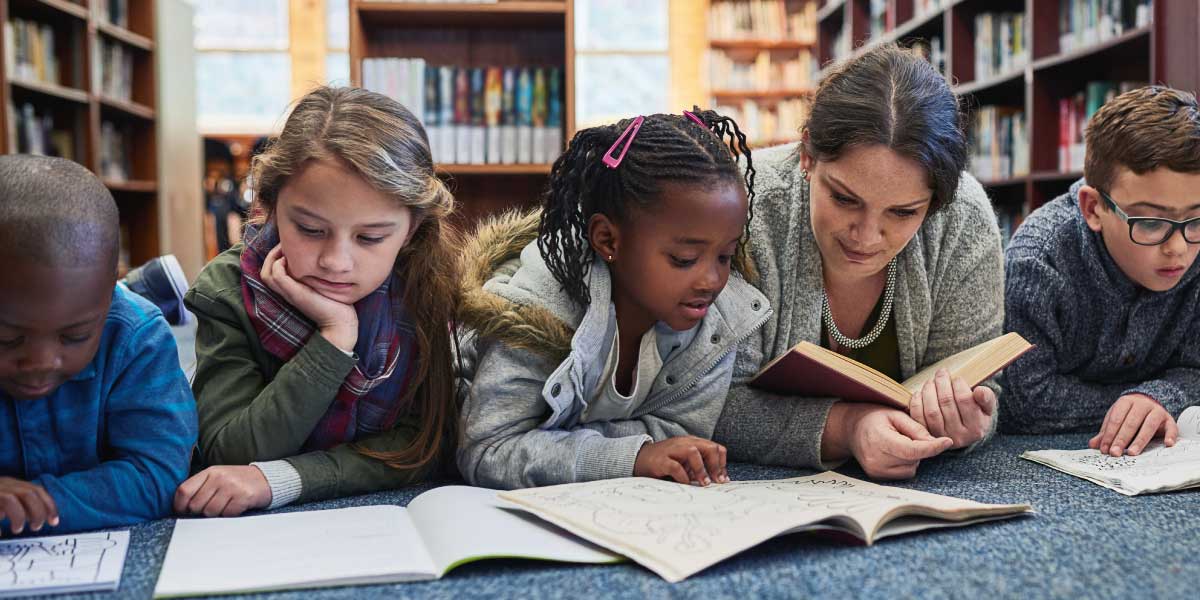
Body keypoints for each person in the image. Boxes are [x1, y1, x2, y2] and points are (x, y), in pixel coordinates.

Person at [714, 44, 1003, 479]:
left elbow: (982, 383)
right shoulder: (745, 207)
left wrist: (973, 421)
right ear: (807, 154)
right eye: (844, 198)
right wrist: (847, 428)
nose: (866, 236)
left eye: (904, 213)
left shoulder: (963, 217)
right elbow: (707, 400)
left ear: (937, 202)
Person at [175, 86, 461, 517]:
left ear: (412, 228)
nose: (335, 262)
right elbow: (232, 451)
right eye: (310, 229)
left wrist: (281, 479)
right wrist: (334, 339)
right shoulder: (229, 288)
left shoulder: (429, 287)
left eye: (370, 237)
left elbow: (420, 447)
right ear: (269, 206)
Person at [457, 109, 768, 489]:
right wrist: (633, 455)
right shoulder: (534, 313)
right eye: (684, 260)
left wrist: (632, 453)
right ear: (608, 240)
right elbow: (487, 449)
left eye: (725, 256)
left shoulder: (717, 326)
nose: (712, 280)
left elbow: (677, 434)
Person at [0, 155, 196, 534]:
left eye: (75, 336)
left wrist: (33, 504)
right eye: (6, 338)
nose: (41, 361)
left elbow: (158, 475)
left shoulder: (137, 337)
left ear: (110, 291)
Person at [1002, 86, 1200, 457]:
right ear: (1093, 209)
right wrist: (1134, 402)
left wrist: (1158, 396)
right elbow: (1025, 402)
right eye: (1151, 222)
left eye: (1195, 218)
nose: (1178, 248)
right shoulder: (1039, 261)